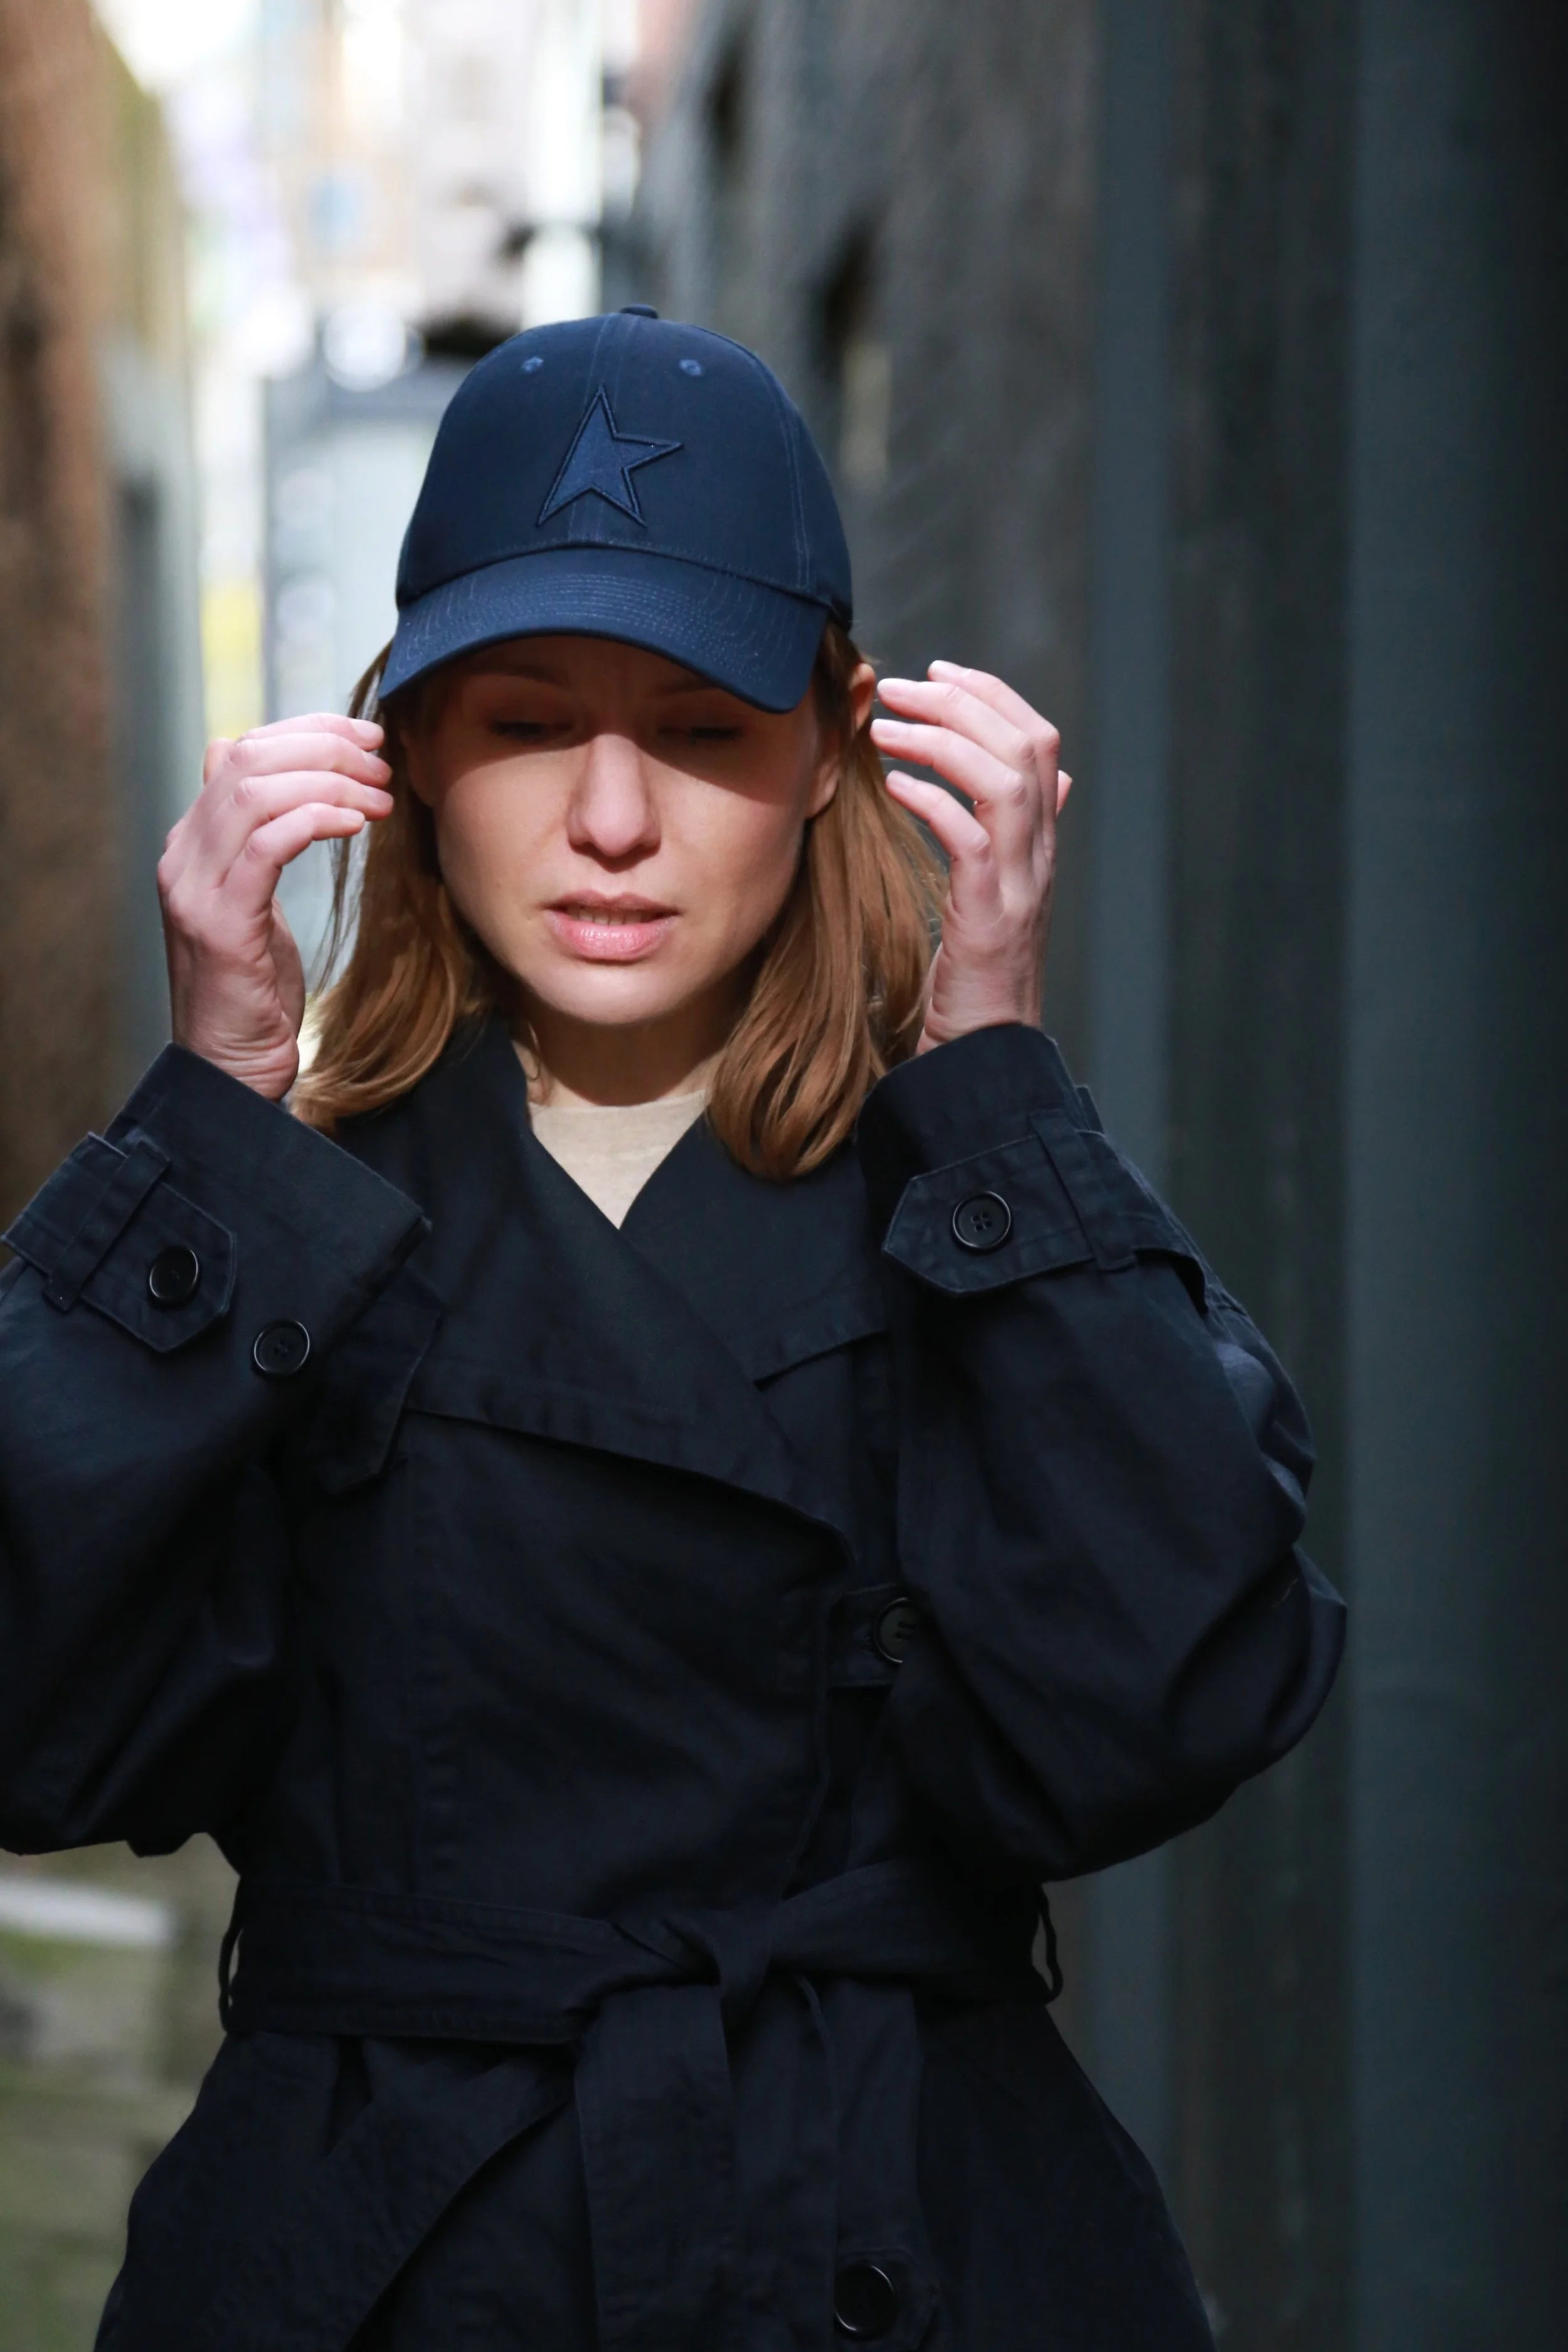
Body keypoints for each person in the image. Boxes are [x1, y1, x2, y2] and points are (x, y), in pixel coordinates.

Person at [0, 309, 1343, 2352]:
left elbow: (1163, 1707)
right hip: (394, 2257)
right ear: (409, 754)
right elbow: (38, 1713)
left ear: (828, 754)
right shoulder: (290, 1220)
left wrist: (989, 1067)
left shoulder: (971, 1201)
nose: (612, 818)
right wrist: (210, 1117)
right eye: (526, 720)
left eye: (703, 729)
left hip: (897, 2236)